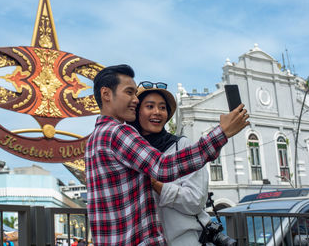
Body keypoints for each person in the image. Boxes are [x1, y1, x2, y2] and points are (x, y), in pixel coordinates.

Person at [85, 64, 249, 245]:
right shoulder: (119, 133)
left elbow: (194, 200)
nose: (135, 100)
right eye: (129, 92)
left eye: (162, 107)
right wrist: (222, 133)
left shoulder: (94, 139)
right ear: (106, 94)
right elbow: (162, 167)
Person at [130, 81, 211, 245]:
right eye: (150, 106)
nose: (157, 112)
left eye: (162, 107)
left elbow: (196, 201)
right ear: (137, 112)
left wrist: (157, 185)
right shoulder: (130, 152)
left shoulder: (182, 146)